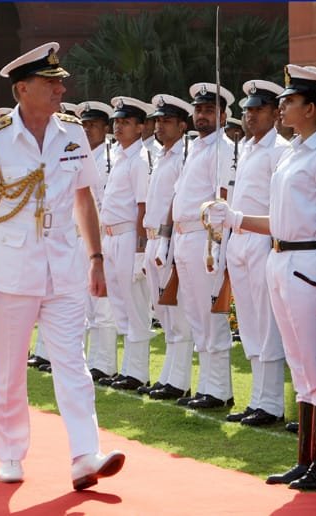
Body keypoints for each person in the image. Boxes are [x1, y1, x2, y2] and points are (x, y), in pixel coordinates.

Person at [0, 41, 125, 489]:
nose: (60, 89)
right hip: (12, 267)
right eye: (50, 83)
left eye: (60, 82)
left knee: (72, 362)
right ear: (22, 89)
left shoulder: (71, 133)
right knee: (9, 367)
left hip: (64, 264)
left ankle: (85, 455)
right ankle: (11, 453)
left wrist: (95, 258)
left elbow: (84, 199)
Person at [208, 64, 316, 489]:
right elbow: (281, 220)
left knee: (315, 363)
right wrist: (235, 218)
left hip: (309, 264)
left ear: (311, 108)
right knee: (299, 364)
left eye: (290, 101)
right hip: (280, 259)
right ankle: (306, 457)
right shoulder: (292, 154)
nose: (283, 107)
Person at [224, 80, 289, 426]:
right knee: (248, 322)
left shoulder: (279, 150)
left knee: (266, 322)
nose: (251, 116)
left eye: (259, 109)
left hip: (262, 236)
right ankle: (257, 399)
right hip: (239, 237)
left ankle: (272, 403)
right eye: (248, 110)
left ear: (275, 112)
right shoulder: (246, 148)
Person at [168, 82, 235, 410]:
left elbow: (222, 198)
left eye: (209, 110)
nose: (202, 116)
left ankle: (219, 390)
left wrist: (219, 246)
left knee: (211, 316)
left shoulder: (222, 148)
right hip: (184, 237)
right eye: (198, 110)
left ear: (223, 115)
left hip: (204, 237)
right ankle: (207, 386)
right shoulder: (196, 147)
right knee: (196, 315)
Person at [98, 96, 154, 391]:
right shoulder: (120, 155)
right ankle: (127, 369)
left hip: (128, 237)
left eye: (126, 122)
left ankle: (137, 373)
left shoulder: (140, 159)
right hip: (111, 237)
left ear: (141, 127)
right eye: (117, 121)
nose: (119, 126)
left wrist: (140, 251)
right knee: (120, 305)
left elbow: (142, 207)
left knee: (135, 307)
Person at [142, 93, 195, 401]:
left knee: (178, 314)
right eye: (158, 120)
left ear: (182, 125)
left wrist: (166, 240)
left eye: (168, 121)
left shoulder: (183, 157)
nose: (160, 126)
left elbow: (176, 202)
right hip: (153, 239)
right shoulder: (161, 155)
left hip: (169, 240)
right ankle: (168, 376)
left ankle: (179, 380)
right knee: (163, 313)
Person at [75, 101, 119, 381]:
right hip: (77, 239)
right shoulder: (79, 156)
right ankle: (90, 361)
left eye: (93, 125)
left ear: (105, 128)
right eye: (84, 125)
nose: (88, 130)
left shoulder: (110, 158)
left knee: (103, 307)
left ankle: (105, 364)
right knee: (84, 305)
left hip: (101, 238)